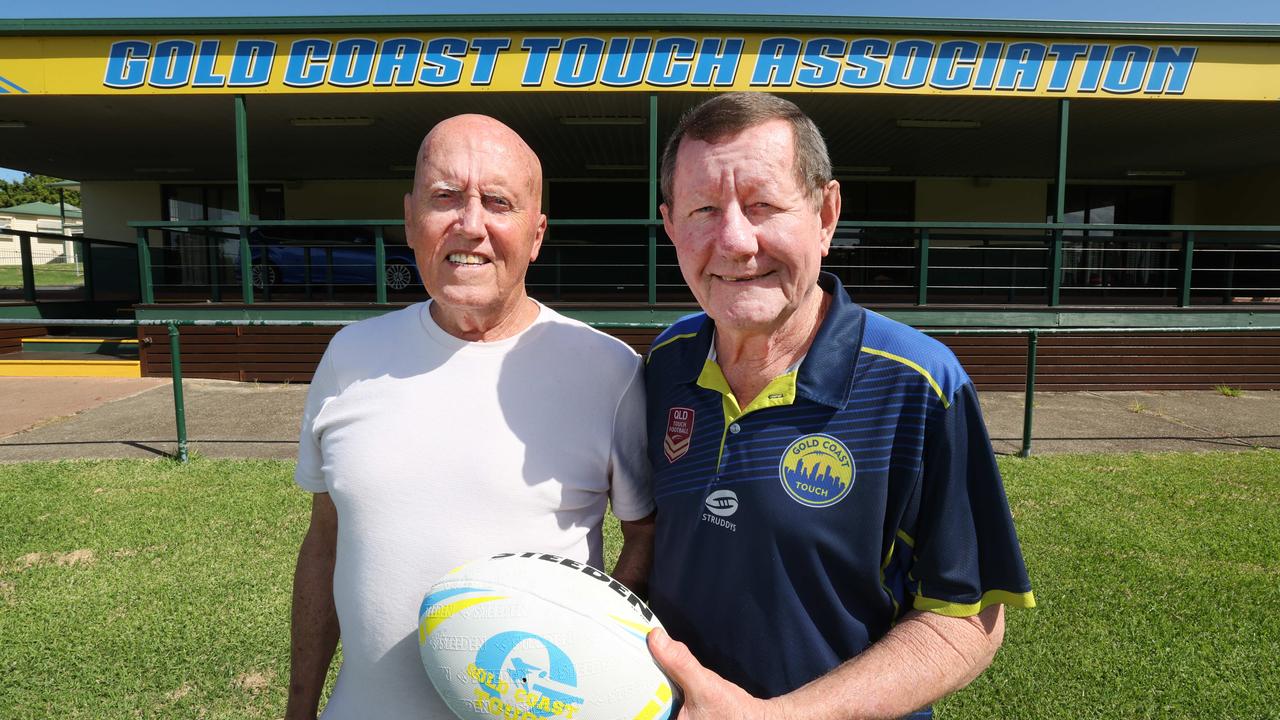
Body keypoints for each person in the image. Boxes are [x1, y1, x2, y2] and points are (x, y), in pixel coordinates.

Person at [643, 93, 1034, 720]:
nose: (734, 240)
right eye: (703, 210)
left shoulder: (919, 383)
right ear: (670, 224)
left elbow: (968, 618)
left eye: (764, 205)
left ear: (826, 214)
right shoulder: (666, 362)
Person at [286, 114, 655, 720]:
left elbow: (647, 536)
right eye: (445, 198)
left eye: (498, 202)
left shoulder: (609, 371)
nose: (471, 224)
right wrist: (300, 709)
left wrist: (594, 659)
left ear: (536, 234)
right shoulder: (349, 356)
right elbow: (324, 541)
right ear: (410, 220)